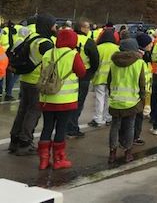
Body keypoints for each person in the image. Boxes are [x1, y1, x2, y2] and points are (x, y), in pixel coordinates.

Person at [38, 28, 86, 170]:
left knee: (47, 127)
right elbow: (81, 72)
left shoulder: (48, 53)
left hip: (47, 98)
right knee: (61, 128)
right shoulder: (73, 55)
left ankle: (43, 160)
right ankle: (59, 159)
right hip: (65, 100)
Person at [9, 14, 57, 155]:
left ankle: (15, 140)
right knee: (33, 113)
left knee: (22, 111)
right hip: (36, 82)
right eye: (54, 25)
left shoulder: (33, 38)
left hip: (25, 79)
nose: (56, 27)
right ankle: (25, 142)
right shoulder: (46, 43)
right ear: (48, 26)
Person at [107, 38, 146, 164]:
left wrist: (112, 94)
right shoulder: (139, 63)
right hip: (132, 101)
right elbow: (142, 83)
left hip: (115, 101)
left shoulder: (113, 63)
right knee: (130, 126)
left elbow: (109, 81)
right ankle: (128, 152)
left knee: (115, 126)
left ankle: (112, 153)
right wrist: (143, 97)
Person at [66, 20, 99, 138]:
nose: (89, 29)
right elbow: (95, 60)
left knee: (67, 101)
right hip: (83, 74)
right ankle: (72, 127)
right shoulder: (88, 42)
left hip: (68, 74)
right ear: (82, 28)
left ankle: (65, 126)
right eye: (88, 27)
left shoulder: (68, 38)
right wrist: (91, 72)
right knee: (78, 103)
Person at [89, 27, 120, 127]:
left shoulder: (98, 48)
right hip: (113, 78)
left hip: (100, 77)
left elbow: (94, 62)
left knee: (99, 98)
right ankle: (108, 117)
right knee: (109, 98)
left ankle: (98, 118)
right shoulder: (117, 48)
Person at [133, 32, 154, 146]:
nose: (151, 45)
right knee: (137, 116)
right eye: (149, 44)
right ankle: (133, 137)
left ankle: (135, 136)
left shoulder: (146, 56)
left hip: (146, 90)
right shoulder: (140, 58)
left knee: (139, 116)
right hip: (140, 91)